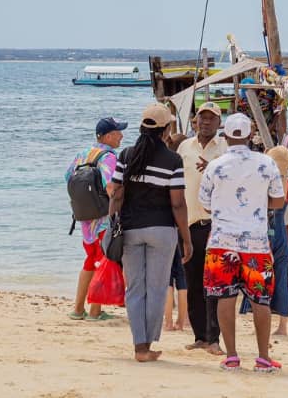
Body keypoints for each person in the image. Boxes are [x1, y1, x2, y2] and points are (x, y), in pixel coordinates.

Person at [199, 112, 285, 373]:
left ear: (225, 135)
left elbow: (204, 204)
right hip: (256, 244)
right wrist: (260, 204)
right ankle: (262, 358)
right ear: (250, 136)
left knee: (225, 298)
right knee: (261, 300)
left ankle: (232, 356)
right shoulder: (267, 163)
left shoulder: (215, 165)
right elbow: (279, 201)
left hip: (221, 242)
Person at [109, 104, 192, 363]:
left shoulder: (126, 155)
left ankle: (139, 347)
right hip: (162, 230)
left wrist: (113, 225)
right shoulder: (173, 160)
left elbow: (117, 194)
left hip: (131, 229)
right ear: (166, 130)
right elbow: (177, 203)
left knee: (135, 289)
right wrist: (186, 238)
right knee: (156, 289)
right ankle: (148, 345)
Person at [176, 102, 228, 354]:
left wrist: (214, 169)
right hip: (188, 226)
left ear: (219, 123)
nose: (206, 122)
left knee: (214, 286)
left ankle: (214, 338)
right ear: (195, 121)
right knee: (193, 284)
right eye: (202, 118)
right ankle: (200, 336)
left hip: (215, 227)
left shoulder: (226, 150)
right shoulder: (184, 147)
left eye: (211, 118)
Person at [65, 116, 125, 321]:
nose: (121, 136)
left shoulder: (82, 154)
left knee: (90, 260)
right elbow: (111, 187)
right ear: (108, 136)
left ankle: (78, 309)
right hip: (102, 217)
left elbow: (67, 177)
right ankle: (95, 311)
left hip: (84, 218)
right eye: (118, 133)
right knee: (101, 261)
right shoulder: (108, 157)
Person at [240, 145, 288, 337]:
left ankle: (259, 325)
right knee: (282, 279)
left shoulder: (264, 184)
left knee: (260, 279)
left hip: (264, 233)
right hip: (282, 234)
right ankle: (283, 327)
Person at [163, 244, 188, 331]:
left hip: (167, 238)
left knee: (167, 280)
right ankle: (180, 323)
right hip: (182, 238)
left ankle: (168, 323)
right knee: (182, 280)